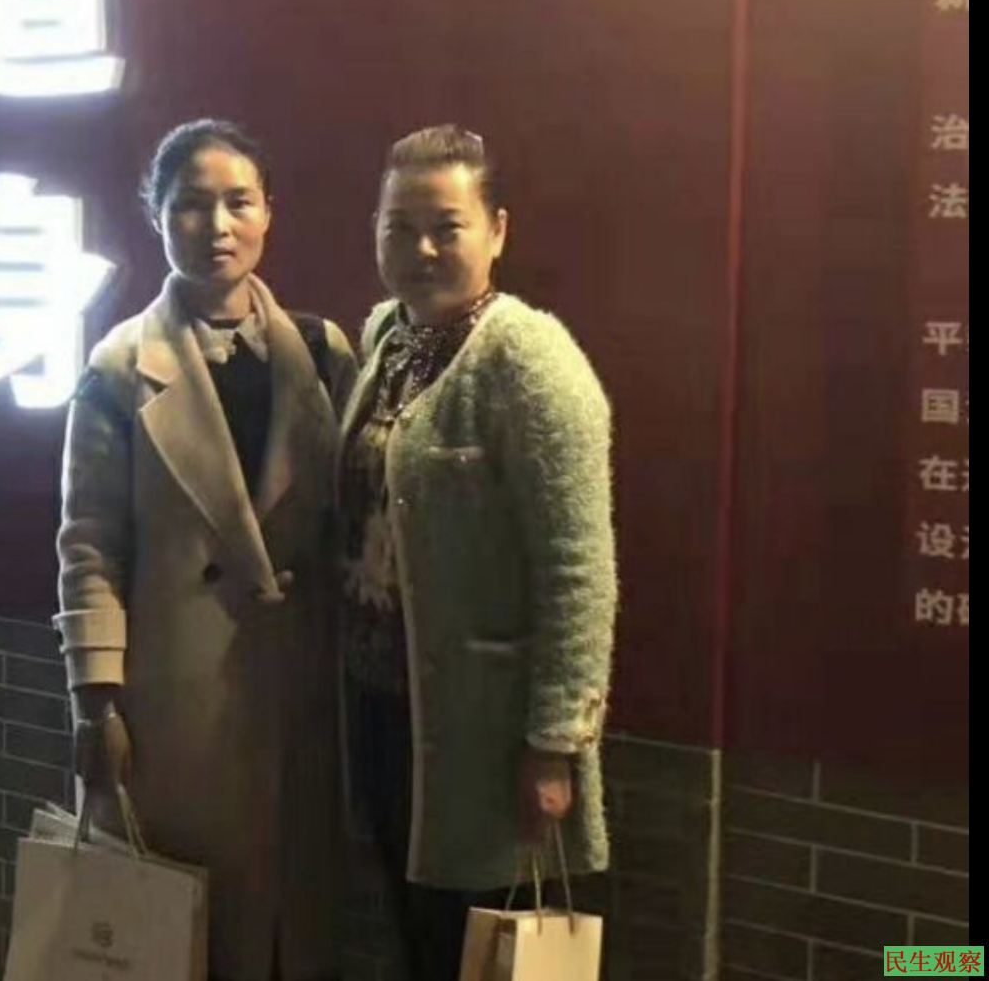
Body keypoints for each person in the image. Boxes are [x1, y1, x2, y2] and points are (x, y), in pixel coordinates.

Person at [56, 119, 358, 981]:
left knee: (289, 934)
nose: (217, 226)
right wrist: (96, 702)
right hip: (174, 702)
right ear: (157, 216)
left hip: (298, 694)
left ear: (268, 213)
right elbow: (89, 545)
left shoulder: (322, 352)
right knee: (182, 933)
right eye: (191, 204)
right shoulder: (120, 367)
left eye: (239, 202)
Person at [337, 125, 618, 981]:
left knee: (481, 944)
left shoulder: (528, 360)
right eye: (399, 226)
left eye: (446, 227)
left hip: (486, 734)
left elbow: (578, 569)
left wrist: (554, 744)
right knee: (414, 928)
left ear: (497, 230)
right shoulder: (386, 338)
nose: (420, 249)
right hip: (383, 705)